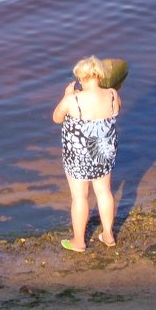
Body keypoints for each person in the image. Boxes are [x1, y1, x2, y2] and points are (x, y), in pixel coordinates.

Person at [51, 55, 120, 252]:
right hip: (103, 151)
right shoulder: (113, 94)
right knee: (104, 191)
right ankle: (108, 235)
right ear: (99, 75)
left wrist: (66, 96)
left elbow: (56, 118)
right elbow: (116, 111)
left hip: (79, 154)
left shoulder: (74, 100)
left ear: (81, 77)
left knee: (80, 197)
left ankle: (79, 241)